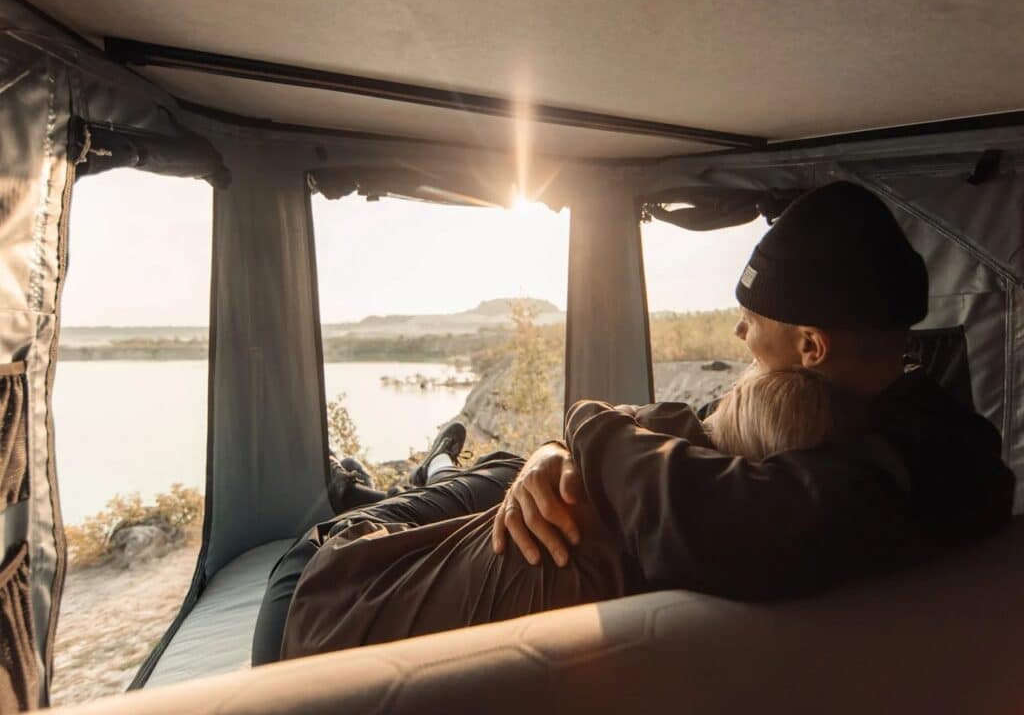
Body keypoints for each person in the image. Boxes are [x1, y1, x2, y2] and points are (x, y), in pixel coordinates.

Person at [251, 180, 1014, 665]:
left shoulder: (887, 473)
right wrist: (559, 447)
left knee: (369, 520)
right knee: (508, 466)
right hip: (436, 547)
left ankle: (401, 483)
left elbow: (701, 493)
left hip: (306, 592)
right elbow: (689, 428)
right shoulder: (859, 413)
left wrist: (589, 430)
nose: (739, 339)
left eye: (752, 323)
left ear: (811, 345)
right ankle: (454, 471)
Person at [278, 365, 861, 659]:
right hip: (334, 611)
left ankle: (421, 473)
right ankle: (433, 470)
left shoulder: (612, 498)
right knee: (516, 473)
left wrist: (560, 448)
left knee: (506, 470)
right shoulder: (740, 546)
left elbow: (606, 424)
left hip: (305, 589)